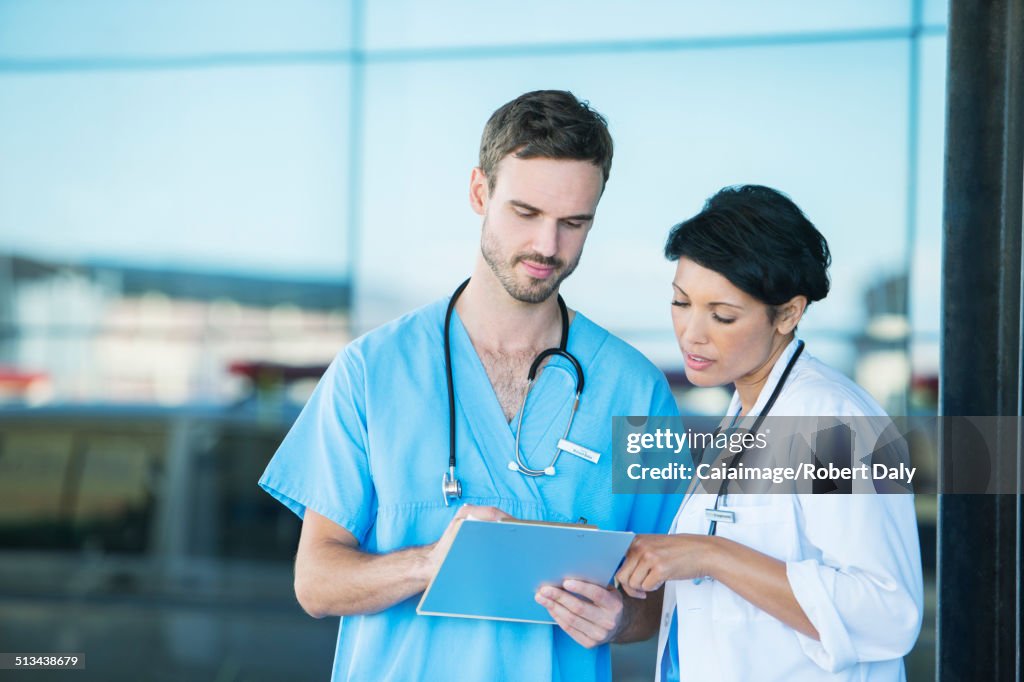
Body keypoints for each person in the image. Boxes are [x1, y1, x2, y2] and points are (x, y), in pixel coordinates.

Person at [258, 90, 681, 682]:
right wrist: (429, 564)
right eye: (527, 214)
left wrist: (619, 620)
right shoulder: (370, 372)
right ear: (480, 192)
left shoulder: (639, 393)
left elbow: (671, 598)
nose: (547, 246)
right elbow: (316, 583)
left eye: (573, 223)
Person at [616, 185, 923, 681]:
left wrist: (710, 555)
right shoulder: (746, 411)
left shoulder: (832, 421)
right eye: (680, 302)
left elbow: (886, 613)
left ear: (788, 314)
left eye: (722, 315)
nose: (692, 333)